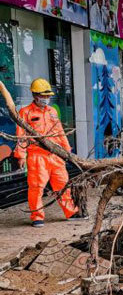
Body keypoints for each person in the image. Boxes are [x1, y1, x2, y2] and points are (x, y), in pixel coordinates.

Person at [14, 79, 84, 227]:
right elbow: (21, 135)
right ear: (35, 95)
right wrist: (20, 155)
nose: (46, 99)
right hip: (37, 156)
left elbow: (59, 131)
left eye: (48, 96)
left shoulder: (52, 111)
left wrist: (67, 151)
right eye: (43, 96)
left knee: (63, 185)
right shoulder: (25, 112)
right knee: (37, 187)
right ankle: (37, 216)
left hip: (55, 155)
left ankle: (71, 212)